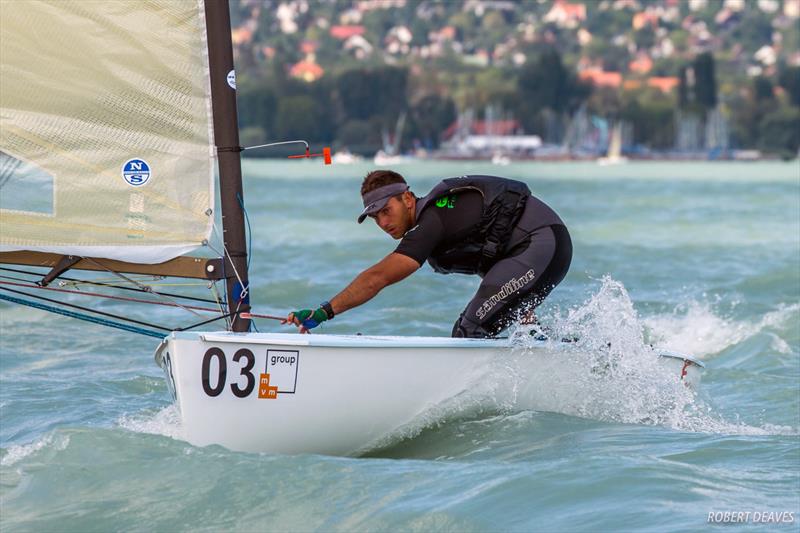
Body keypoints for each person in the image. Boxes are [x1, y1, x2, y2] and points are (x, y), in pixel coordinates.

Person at [284, 170, 572, 338]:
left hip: (542, 243)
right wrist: (523, 313)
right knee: (476, 328)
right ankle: (569, 354)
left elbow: (377, 278)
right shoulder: (437, 223)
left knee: (469, 330)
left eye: (387, 211)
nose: (383, 223)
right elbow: (496, 264)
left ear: (407, 199)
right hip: (541, 249)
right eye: (375, 218)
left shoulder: (432, 220)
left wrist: (324, 311)